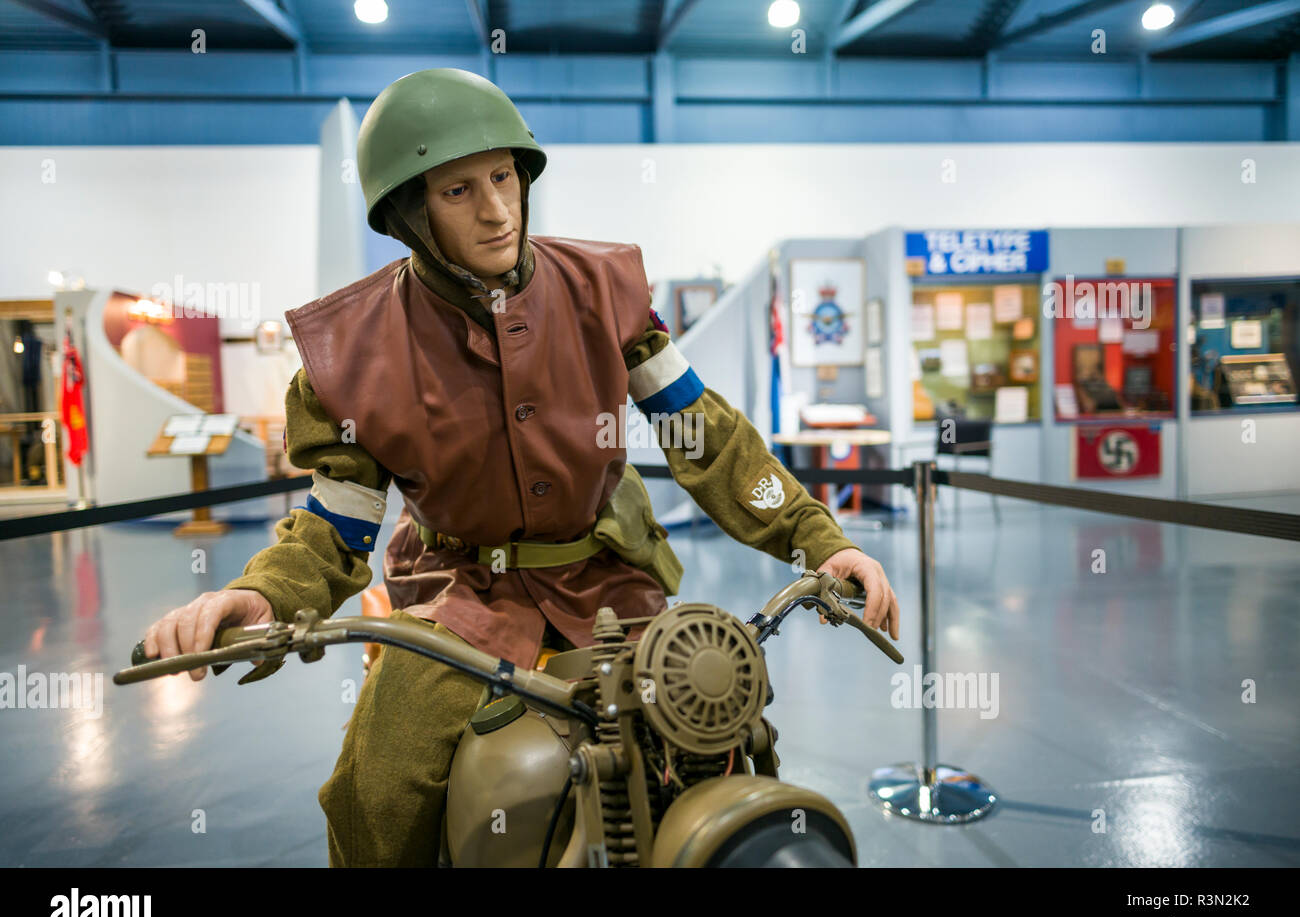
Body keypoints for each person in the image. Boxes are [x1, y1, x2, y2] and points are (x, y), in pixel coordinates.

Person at [142, 68, 900, 867]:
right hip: (457, 601)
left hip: (610, 583)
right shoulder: (348, 354)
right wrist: (259, 594)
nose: (497, 209)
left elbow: (702, 432)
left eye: (503, 176)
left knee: (721, 726)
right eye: (459, 190)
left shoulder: (608, 293)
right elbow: (332, 528)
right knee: (377, 789)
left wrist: (820, 541)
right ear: (409, 214)